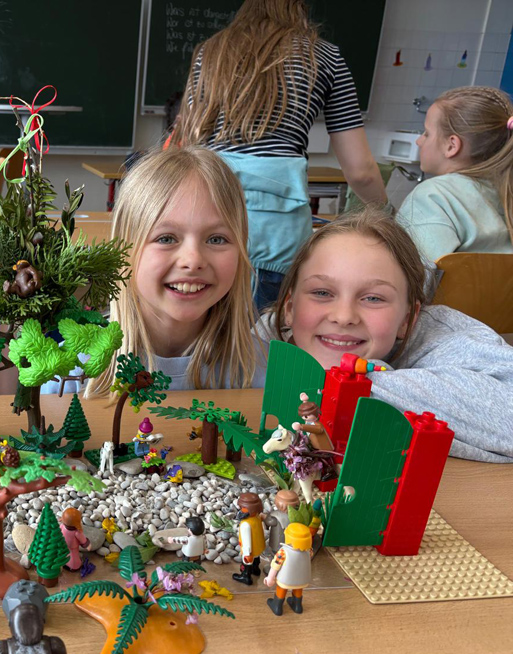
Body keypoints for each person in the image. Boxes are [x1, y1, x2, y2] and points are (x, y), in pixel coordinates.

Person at [169, 0, 387, 308]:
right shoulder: (324, 56)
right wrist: (386, 214)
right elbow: (361, 171)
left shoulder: (211, 51)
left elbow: (190, 140)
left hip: (206, 213)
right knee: (264, 335)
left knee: (202, 330)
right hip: (277, 234)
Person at [258, 208, 513, 462]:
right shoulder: (259, 344)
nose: (344, 316)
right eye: (322, 293)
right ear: (289, 308)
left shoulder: (444, 336)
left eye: (373, 298)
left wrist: (350, 385)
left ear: (407, 319)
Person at [46, 146, 263, 397]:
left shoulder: (263, 371)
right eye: (166, 238)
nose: (193, 260)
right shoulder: (71, 370)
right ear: (124, 250)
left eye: (216, 239)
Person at [397, 86, 513, 262]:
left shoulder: (432, 197)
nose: (419, 141)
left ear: (451, 146)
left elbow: (422, 274)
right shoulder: (505, 190)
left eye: (427, 133)